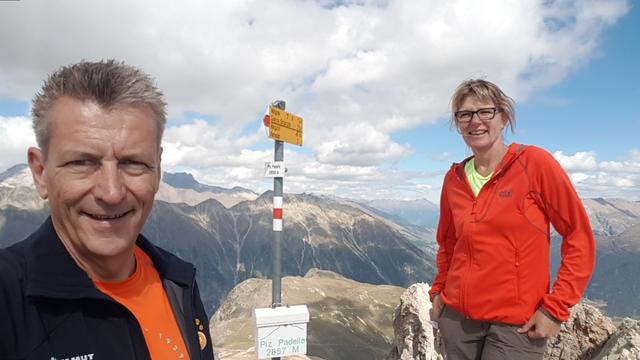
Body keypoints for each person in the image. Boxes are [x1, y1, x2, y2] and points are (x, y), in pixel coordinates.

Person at [0, 60, 215, 360]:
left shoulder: (179, 282)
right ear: (40, 173)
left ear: (158, 169)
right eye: (82, 162)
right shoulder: (8, 300)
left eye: (133, 163)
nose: (111, 193)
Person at [428, 79, 595, 359]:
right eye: (465, 114)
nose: (475, 121)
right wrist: (439, 290)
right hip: (457, 320)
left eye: (485, 112)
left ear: (503, 117)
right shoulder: (453, 178)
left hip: (515, 324)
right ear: (457, 123)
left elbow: (578, 236)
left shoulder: (534, 163)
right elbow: (448, 242)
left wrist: (555, 308)